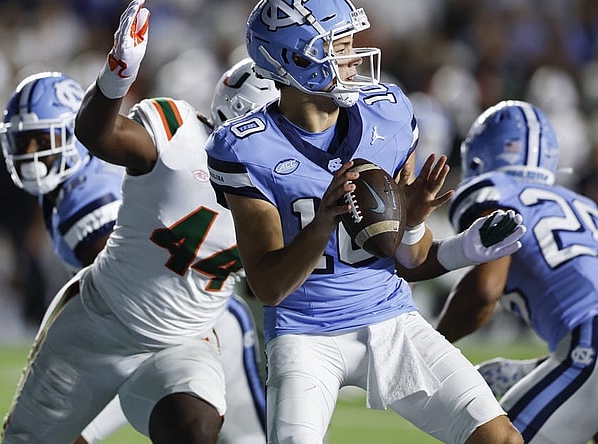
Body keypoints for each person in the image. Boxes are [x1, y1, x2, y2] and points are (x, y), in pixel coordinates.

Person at [205, 0, 526, 443]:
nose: (354, 57)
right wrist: (322, 223)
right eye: (339, 46)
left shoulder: (388, 113)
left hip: (390, 317)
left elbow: (410, 257)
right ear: (295, 58)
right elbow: (269, 287)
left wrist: (410, 222)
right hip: (304, 334)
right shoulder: (247, 148)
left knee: (500, 438)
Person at [0, 1, 279, 442]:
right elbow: (96, 135)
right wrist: (118, 74)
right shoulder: (177, 137)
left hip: (186, 337)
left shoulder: (287, 194)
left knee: (200, 429)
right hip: (101, 321)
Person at [435, 100, 598, 444]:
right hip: (586, 344)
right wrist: (533, 370)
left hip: (590, 342)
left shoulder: (494, 191)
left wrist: (429, 347)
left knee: (496, 439)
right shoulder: (586, 207)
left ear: (480, 154)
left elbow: (485, 288)